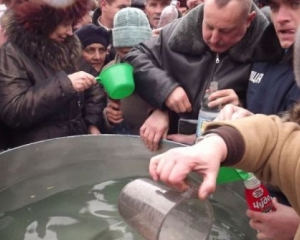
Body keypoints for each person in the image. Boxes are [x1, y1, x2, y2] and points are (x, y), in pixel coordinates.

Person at [124, 0, 269, 140]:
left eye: (226, 31)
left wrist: (241, 107)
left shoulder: (268, 52)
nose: (214, 38)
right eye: (209, 26)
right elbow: (134, 58)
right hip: (169, 149)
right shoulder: (176, 33)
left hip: (226, 155)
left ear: (249, 20)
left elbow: (274, 120)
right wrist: (165, 92)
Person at [0, 0, 106, 148]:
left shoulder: (69, 46)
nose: (70, 32)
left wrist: (92, 123)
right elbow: (14, 109)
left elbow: (94, 87)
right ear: (44, 20)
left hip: (77, 145)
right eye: (64, 24)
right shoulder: (12, 54)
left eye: (71, 24)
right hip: (36, 152)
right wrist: (65, 85)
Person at [103, 7, 169, 150]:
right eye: (125, 52)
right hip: (124, 149)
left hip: (159, 147)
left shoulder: (165, 68)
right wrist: (108, 116)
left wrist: (164, 112)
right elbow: (100, 109)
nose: (134, 58)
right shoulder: (109, 71)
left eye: (139, 50)